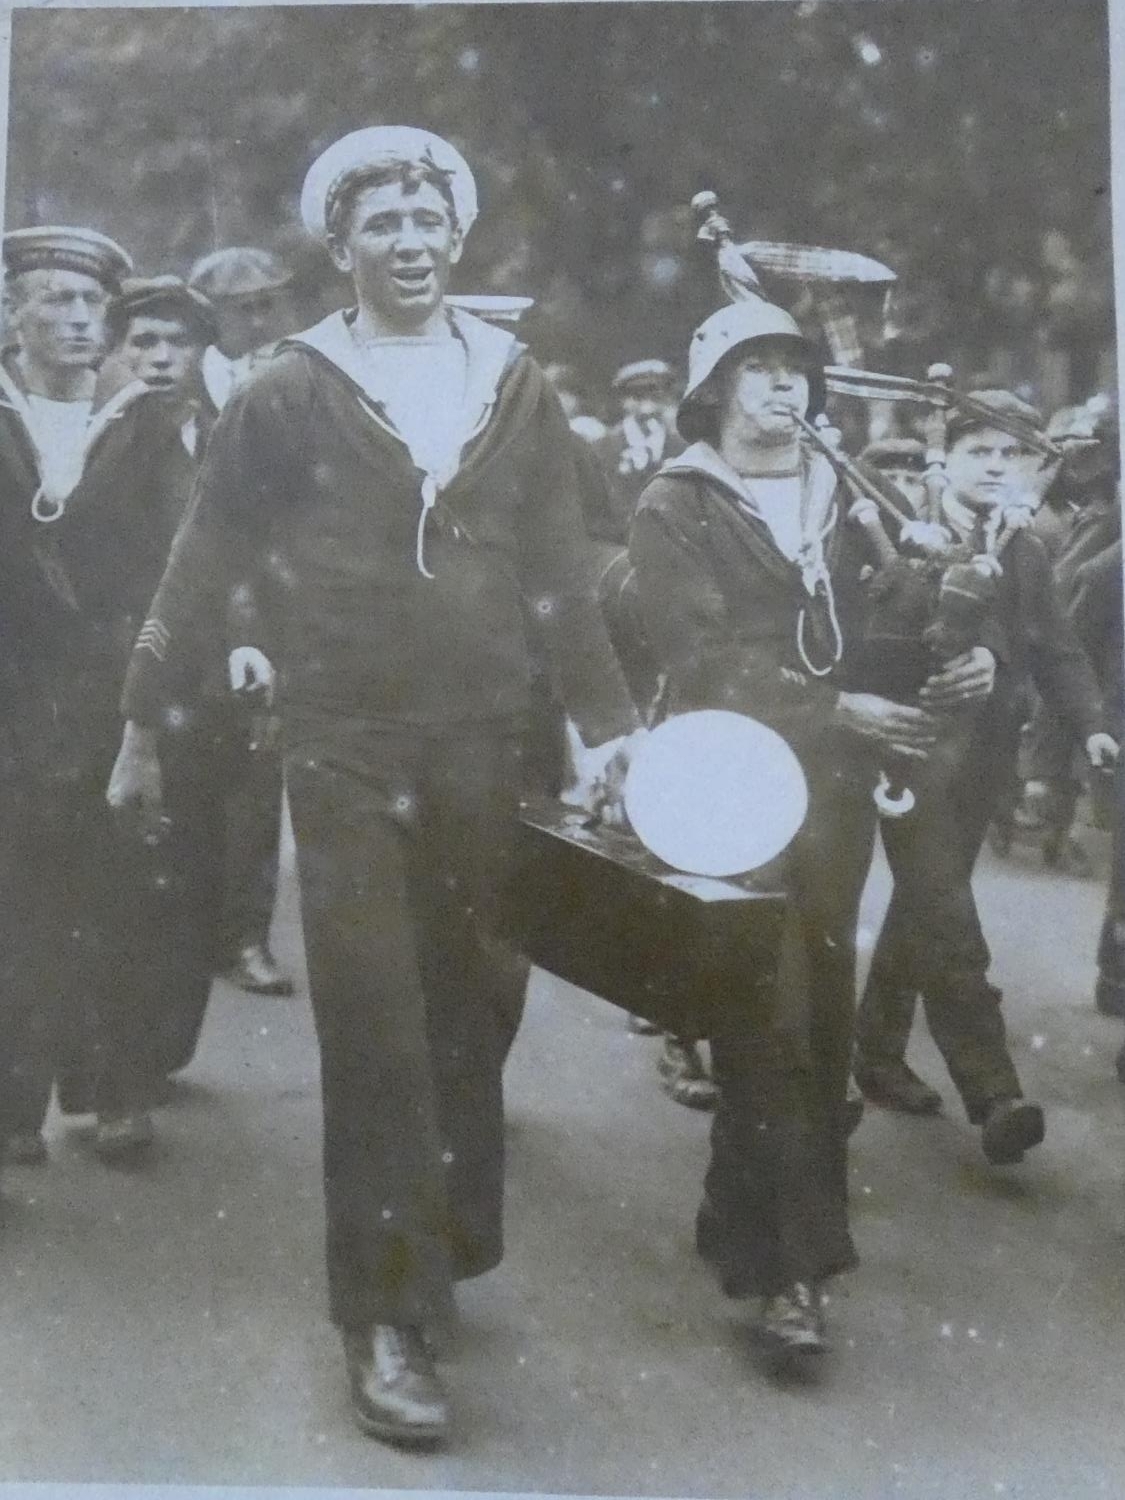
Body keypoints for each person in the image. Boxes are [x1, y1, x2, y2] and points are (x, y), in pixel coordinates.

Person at [108, 126, 641, 1446]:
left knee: (476, 1002)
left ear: (453, 237)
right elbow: (206, 547)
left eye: (426, 221)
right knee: (375, 1023)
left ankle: (440, 1235)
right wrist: (142, 714)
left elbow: (562, 567)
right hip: (343, 741)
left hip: (487, 738)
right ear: (340, 248)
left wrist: (607, 727)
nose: (408, 244)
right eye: (381, 225)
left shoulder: (515, 383)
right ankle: (386, 1314)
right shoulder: (290, 387)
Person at [628, 299, 968, 1361]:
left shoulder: (849, 496)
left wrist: (963, 652)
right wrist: (835, 709)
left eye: (796, 369)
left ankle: (742, 1217)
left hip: (835, 785)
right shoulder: (675, 502)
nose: (785, 387)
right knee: (771, 1007)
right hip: (730, 775)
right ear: (716, 389)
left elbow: (894, 627)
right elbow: (697, 656)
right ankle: (791, 1274)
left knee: (812, 1007)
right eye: (759, 368)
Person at [852, 391, 1116, 1150]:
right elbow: (875, 643)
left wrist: (1092, 727)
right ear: (949, 454)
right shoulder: (897, 524)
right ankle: (994, 1093)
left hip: (982, 762)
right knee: (949, 918)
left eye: (1011, 455)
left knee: (923, 907)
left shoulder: (1026, 548)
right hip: (908, 749)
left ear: (1032, 465)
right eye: (980, 452)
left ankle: (874, 1053)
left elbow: (1058, 648)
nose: (996, 468)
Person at [0, 228, 191, 1166]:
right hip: (10, 691)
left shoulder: (146, 422)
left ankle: (114, 1089)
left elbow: (177, 558)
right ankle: (8, 1110)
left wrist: (152, 694)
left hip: (112, 689)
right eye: (55, 304)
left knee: (120, 894)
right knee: (17, 899)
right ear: (12, 315)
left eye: (90, 307)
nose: (79, 323)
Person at [187, 245, 298, 996]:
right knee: (185, 773)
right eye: (243, 307)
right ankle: (185, 939)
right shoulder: (170, 387)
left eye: (269, 304)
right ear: (209, 317)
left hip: (270, 606)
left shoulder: (295, 384)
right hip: (185, 603)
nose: (259, 320)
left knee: (258, 777)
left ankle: (246, 937)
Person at [589, 358, 682, 544]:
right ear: (624, 400)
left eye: (655, 396)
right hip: (620, 547)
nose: (647, 405)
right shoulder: (603, 448)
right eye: (638, 396)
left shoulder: (681, 446)